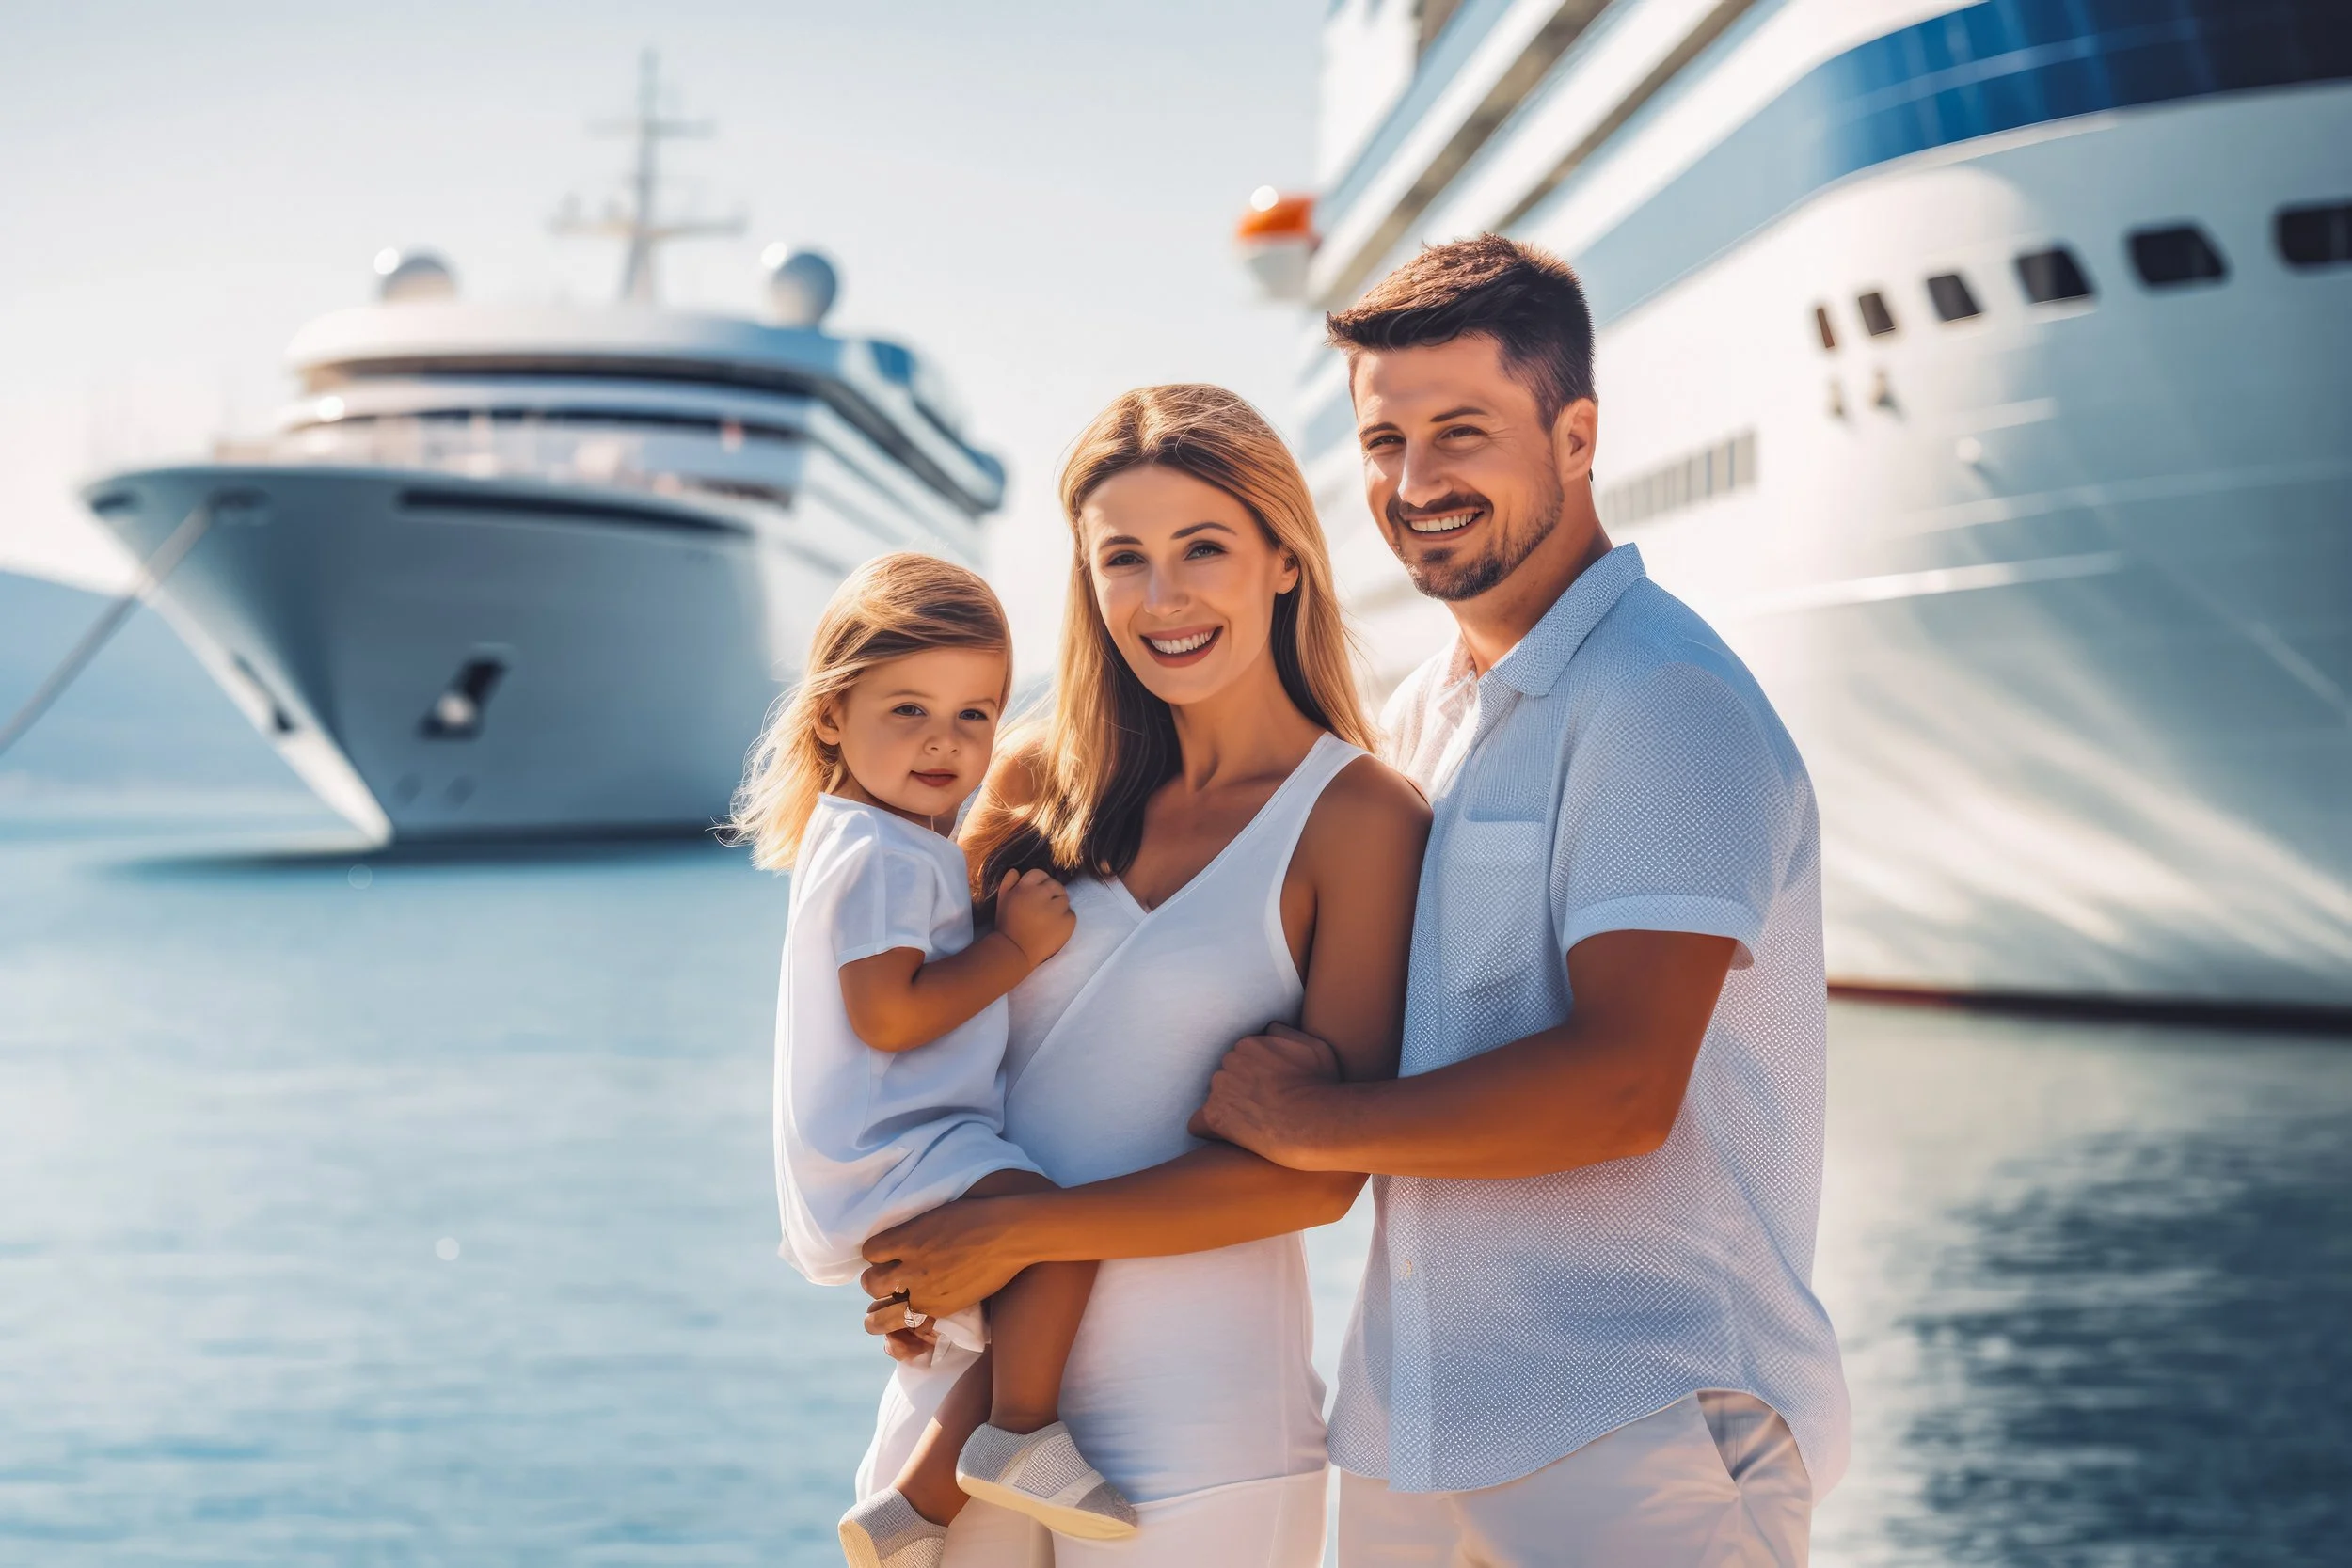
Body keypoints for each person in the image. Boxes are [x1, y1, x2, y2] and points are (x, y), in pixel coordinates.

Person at [1194, 235, 1850, 1567]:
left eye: (1460, 432)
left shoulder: (1660, 700)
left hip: (1636, 1427)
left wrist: (1315, 1122)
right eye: (1384, 442)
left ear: (1576, 434)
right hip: (1413, 1430)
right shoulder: (1429, 714)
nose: (1415, 482)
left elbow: (1621, 1085)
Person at [853, 384, 1430, 1565]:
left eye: (1202, 548)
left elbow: (1319, 1177)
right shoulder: (1020, 789)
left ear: (1283, 559)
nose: (1162, 598)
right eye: (1123, 558)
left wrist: (1018, 1235)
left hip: (1197, 1423)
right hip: (957, 1411)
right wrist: (897, 1245)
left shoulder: (1358, 817)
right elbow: (912, 1054)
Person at [733, 553, 1138, 1568]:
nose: (943, 743)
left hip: (878, 1153)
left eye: (974, 715)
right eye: (908, 709)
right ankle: (1021, 1439)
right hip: (896, 1148)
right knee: (1055, 1233)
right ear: (830, 713)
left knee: (1011, 1312)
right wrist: (1013, 949)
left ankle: (912, 1506)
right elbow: (888, 1015)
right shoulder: (884, 853)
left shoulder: (872, 838)